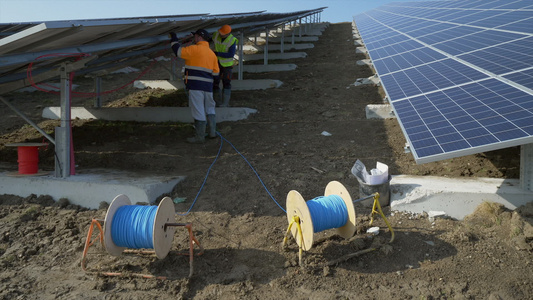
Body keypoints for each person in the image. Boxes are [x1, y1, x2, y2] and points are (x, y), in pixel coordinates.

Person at [170, 29, 220, 143]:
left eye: (195, 36)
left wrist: (174, 38)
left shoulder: (194, 49)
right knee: (210, 108)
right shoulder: (212, 54)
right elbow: (216, 73)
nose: (194, 39)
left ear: (199, 37)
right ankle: (212, 133)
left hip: (195, 85)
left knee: (198, 109)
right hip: (208, 86)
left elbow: (177, 51)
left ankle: (199, 137)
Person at [212, 24, 238, 107]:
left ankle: (225, 103)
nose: (220, 34)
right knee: (215, 82)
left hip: (227, 65)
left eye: (222, 34)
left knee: (226, 82)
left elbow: (231, 54)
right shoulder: (216, 34)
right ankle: (217, 102)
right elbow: (208, 39)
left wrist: (217, 53)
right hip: (217, 63)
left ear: (228, 34)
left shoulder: (232, 40)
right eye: (220, 32)